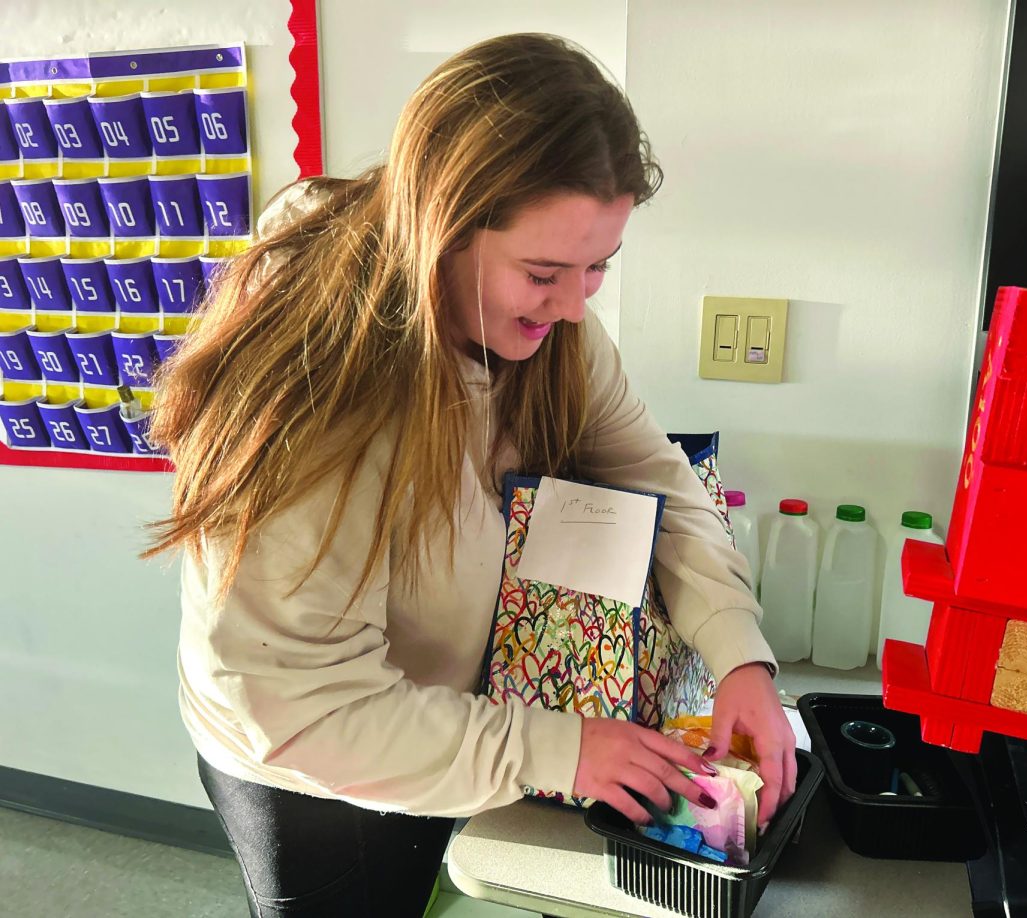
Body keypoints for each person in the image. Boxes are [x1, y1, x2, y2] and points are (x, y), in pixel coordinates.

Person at [147, 32, 794, 918]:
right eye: (543, 272)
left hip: (453, 709)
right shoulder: (313, 389)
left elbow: (661, 481)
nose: (574, 307)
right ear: (443, 227)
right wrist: (558, 750)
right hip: (311, 763)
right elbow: (303, 706)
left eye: (598, 267)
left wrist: (738, 654)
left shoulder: (549, 334)